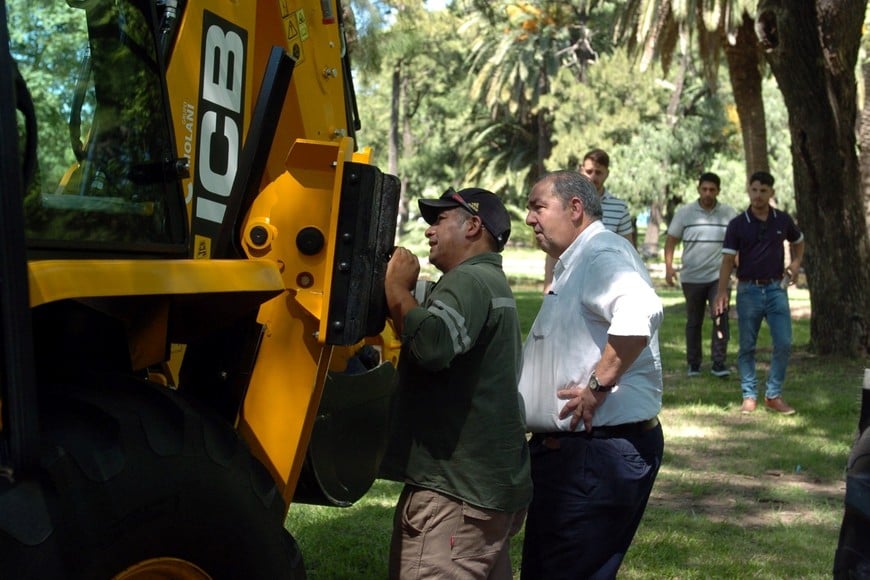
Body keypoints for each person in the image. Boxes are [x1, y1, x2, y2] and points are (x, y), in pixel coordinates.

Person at [519, 170, 664, 579]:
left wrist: (598, 386)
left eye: (538, 207)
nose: (529, 218)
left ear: (576, 208)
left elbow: (640, 312)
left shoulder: (600, 252)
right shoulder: (581, 257)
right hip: (582, 456)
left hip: (591, 456)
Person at [382, 187, 532, 579]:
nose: (430, 230)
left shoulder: (468, 281)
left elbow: (432, 345)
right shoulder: (488, 282)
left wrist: (398, 289)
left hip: (454, 497)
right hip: (486, 493)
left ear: (473, 226)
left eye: (441, 219)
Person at [713, 171, 805, 415]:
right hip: (748, 290)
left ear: (771, 193)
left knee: (784, 343)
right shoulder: (738, 224)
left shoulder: (782, 220)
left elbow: (799, 241)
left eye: (763, 190)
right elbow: (727, 260)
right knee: (747, 346)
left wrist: (796, 264)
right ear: (748, 190)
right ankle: (749, 395)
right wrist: (722, 292)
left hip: (776, 289)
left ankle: (773, 394)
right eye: (754, 190)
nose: (758, 195)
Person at [664, 172, 737, 378]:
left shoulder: (729, 214)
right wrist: (669, 268)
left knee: (720, 318)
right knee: (694, 321)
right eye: (704, 189)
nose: (707, 193)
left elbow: (737, 243)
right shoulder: (685, 213)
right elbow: (671, 240)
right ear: (698, 189)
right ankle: (693, 364)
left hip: (718, 277)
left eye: (712, 190)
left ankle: (718, 363)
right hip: (692, 277)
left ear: (718, 191)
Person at [543, 148, 633, 292]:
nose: (593, 177)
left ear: (607, 174)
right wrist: (548, 284)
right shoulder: (565, 204)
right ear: (581, 170)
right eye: (589, 171)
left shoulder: (620, 207)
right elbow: (554, 247)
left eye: (598, 172)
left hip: (606, 281)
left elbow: (627, 249)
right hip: (567, 279)